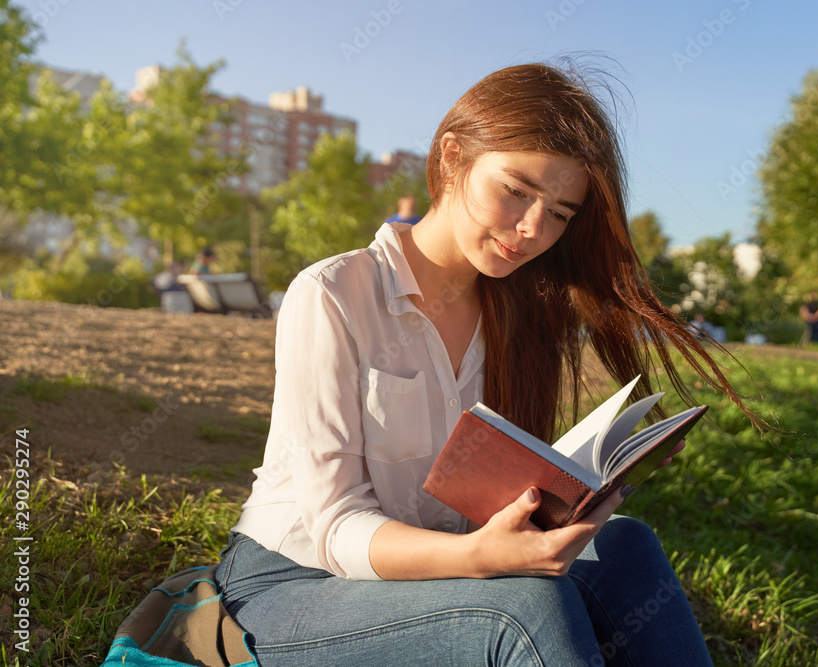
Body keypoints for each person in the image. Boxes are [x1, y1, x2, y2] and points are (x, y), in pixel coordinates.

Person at [215, 62, 758, 666]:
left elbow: (489, 497)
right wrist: (485, 559)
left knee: (625, 545)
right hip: (296, 585)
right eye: (516, 191)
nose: (531, 229)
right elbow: (336, 530)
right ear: (451, 158)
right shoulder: (335, 293)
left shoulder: (519, 317)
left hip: (435, 572)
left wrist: (570, 501)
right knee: (521, 612)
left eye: (559, 213)